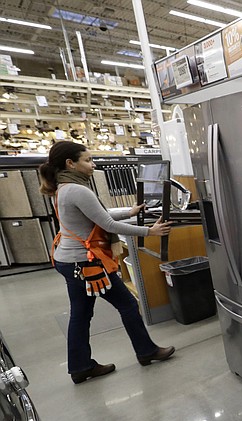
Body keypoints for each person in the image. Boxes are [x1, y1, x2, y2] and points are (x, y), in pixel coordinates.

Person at [39, 141, 176, 384]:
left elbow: (95, 215)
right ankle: (146, 351)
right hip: (87, 263)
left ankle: (80, 367)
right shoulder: (78, 190)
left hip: (69, 260)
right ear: (71, 163)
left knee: (80, 314)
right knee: (127, 305)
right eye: (88, 160)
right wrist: (149, 232)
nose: (93, 165)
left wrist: (129, 213)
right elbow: (107, 225)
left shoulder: (63, 187)